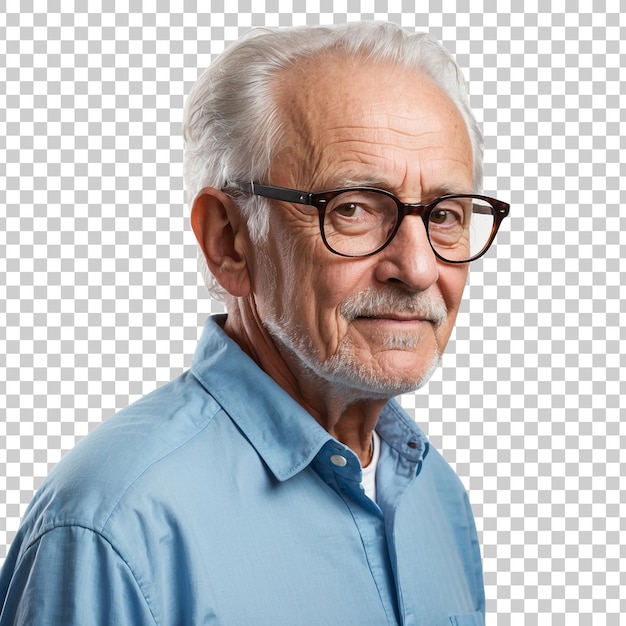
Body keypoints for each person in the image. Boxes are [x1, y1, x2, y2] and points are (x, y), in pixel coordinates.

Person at [0, 21, 509, 626]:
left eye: (446, 214)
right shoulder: (111, 529)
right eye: (352, 209)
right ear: (230, 242)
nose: (419, 268)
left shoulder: (436, 496)